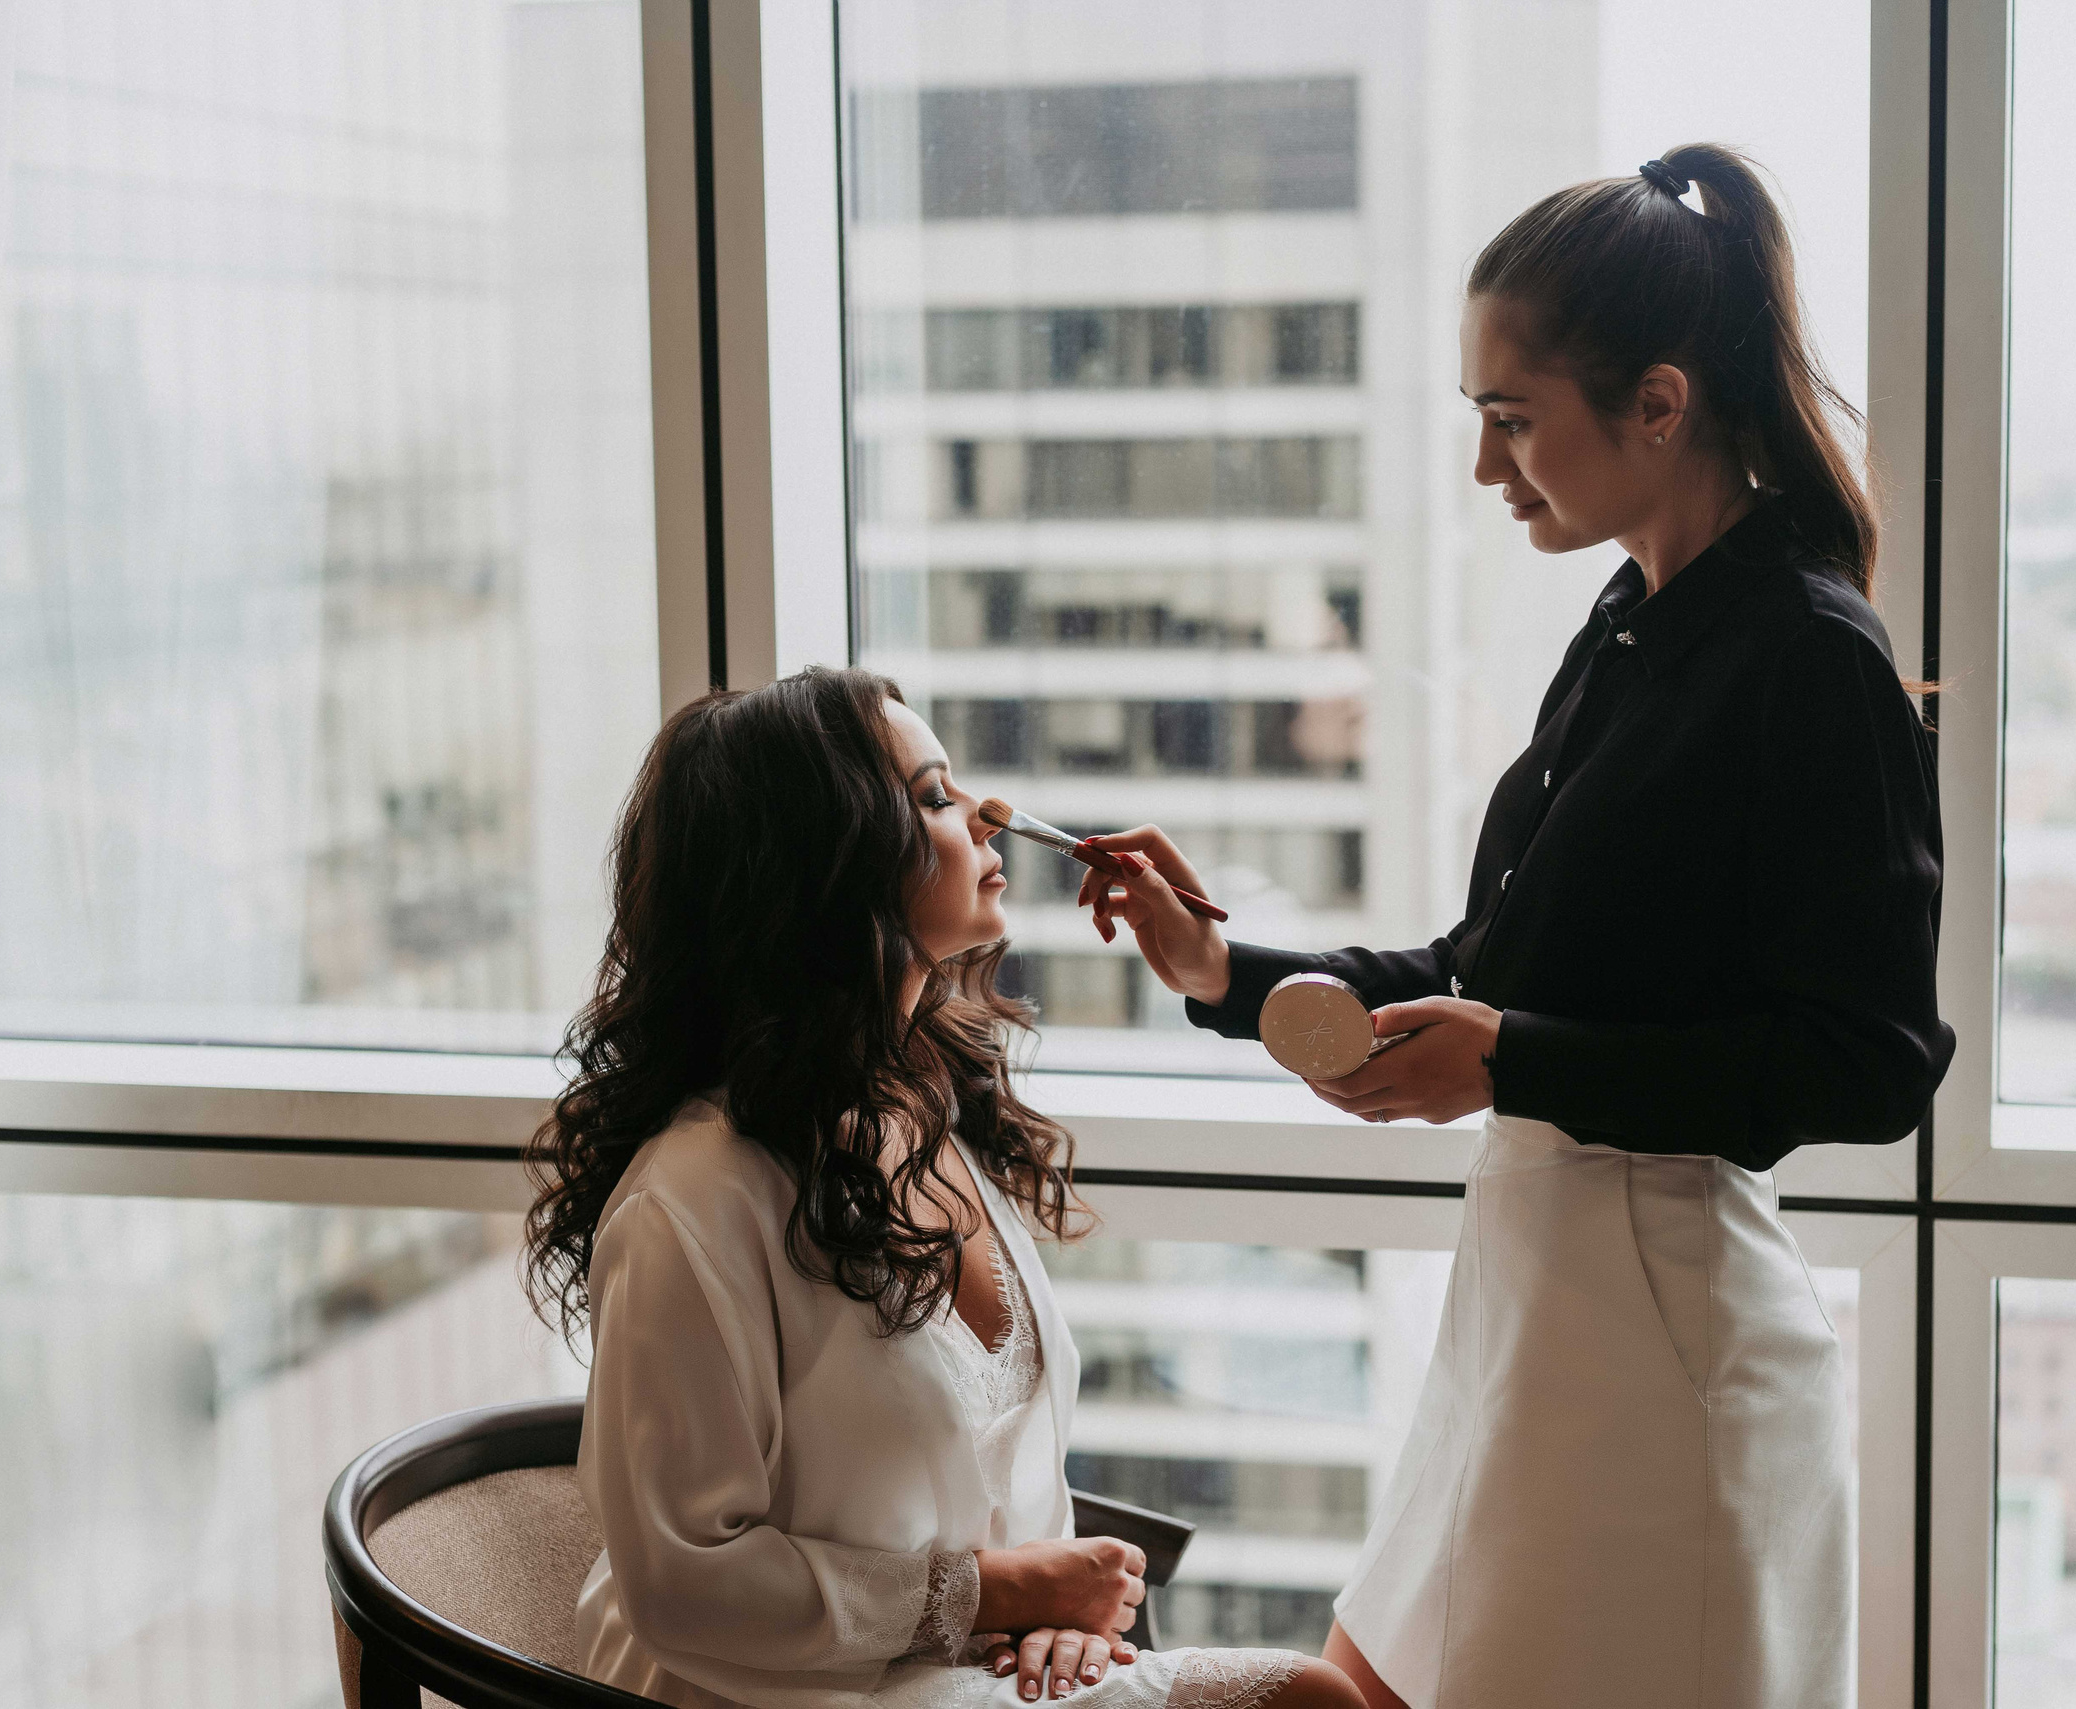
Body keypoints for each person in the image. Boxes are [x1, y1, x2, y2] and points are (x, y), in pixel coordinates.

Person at [1082, 145, 1953, 1709]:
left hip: (1658, 1353)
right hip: (1534, 1319)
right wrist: (1225, 970)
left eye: (1511, 419)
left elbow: (1872, 1066)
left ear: (1662, 404)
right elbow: (1496, 967)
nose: (1491, 469)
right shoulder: (1625, 626)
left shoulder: (1811, 658)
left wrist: (1518, 1062)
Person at [524, 668, 1365, 1709]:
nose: (984, 813)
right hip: (770, 1690)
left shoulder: (925, 1117)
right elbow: (683, 1581)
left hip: (962, 1665)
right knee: (1309, 1699)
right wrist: (989, 1592)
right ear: (825, 864)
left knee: (1314, 1695)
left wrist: (1052, 1611)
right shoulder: (691, 1200)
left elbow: (993, 1483)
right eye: (932, 795)